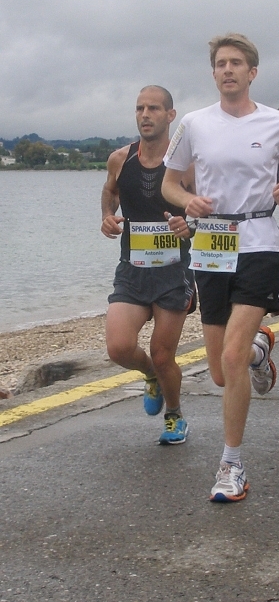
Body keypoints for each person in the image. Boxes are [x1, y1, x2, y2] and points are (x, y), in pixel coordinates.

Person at [162, 33, 279, 502]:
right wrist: (188, 200)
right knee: (224, 371)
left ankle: (232, 465)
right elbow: (169, 183)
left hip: (261, 241)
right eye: (221, 63)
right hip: (211, 244)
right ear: (213, 73)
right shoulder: (194, 123)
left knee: (229, 356)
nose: (228, 70)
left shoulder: (278, 123)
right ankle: (260, 353)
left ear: (252, 73)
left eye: (237, 63)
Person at [101, 86, 195, 445]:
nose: (145, 114)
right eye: (140, 108)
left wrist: (190, 227)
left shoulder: (186, 165)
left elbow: (207, 210)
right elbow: (110, 191)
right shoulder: (120, 159)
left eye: (154, 108)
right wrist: (108, 216)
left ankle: (174, 415)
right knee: (119, 347)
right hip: (132, 270)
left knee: (163, 352)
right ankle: (151, 375)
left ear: (170, 115)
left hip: (174, 272)